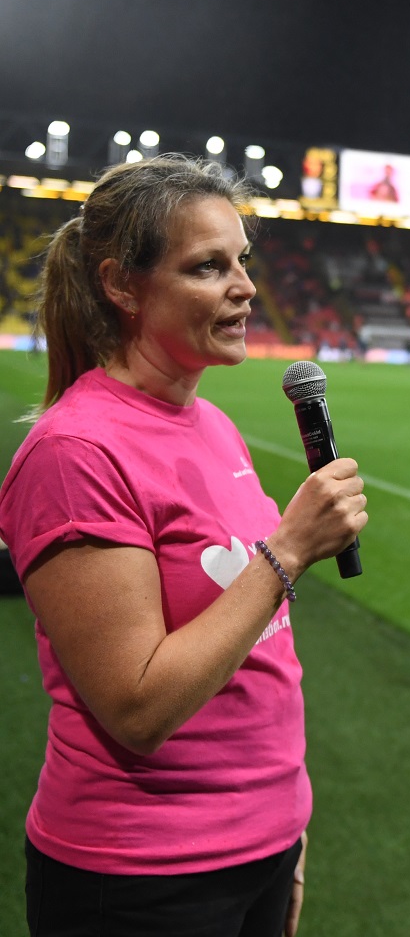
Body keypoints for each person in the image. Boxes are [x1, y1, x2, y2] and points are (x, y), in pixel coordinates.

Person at [0, 155, 368, 937]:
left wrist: (286, 829)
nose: (244, 287)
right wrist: (288, 551)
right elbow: (137, 705)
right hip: (141, 879)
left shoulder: (212, 423)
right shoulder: (77, 453)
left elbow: (266, 660)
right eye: (209, 267)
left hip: (259, 846)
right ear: (122, 285)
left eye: (243, 261)